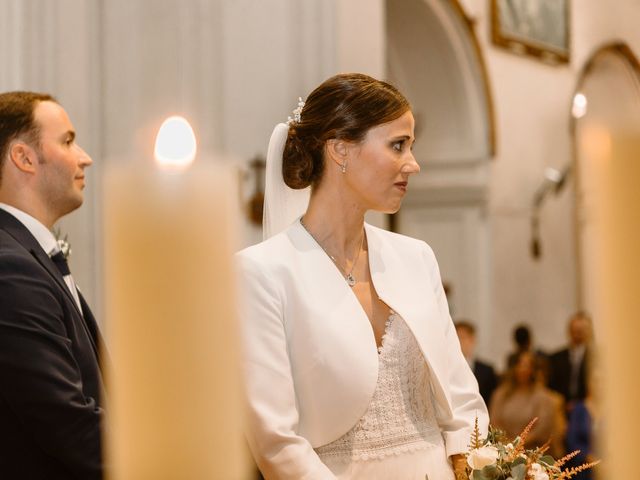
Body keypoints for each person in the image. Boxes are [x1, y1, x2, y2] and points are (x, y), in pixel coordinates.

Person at [236, 73, 488, 480]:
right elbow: (276, 441)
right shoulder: (262, 273)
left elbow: (460, 396)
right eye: (398, 145)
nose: (414, 164)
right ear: (339, 150)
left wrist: (469, 463)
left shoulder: (416, 258)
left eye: (411, 146)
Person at [0, 91, 106, 479]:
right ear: (24, 157)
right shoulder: (9, 268)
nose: (84, 157)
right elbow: (66, 422)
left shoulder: (27, 256)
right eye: (67, 140)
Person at [490, 350, 566, 458]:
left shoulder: (542, 396)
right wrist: (509, 445)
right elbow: (495, 422)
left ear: (533, 370)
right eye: (519, 365)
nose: (523, 369)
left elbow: (542, 428)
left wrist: (519, 443)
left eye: (527, 366)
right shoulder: (501, 394)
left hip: (533, 453)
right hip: (504, 451)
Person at [548, 311, 594, 410]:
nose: (577, 334)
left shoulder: (596, 358)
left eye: (581, 330)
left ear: (589, 331)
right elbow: (551, 386)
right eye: (575, 330)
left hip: (588, 409)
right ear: (569, 331)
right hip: (561, 409)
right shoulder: (556, 358)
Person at [454, 320, 498, 406]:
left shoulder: (487, 371)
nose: (458, 341)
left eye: (462, 337)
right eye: (455, 337)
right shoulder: (446, 369)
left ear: (472, 339)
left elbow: (491, 401)